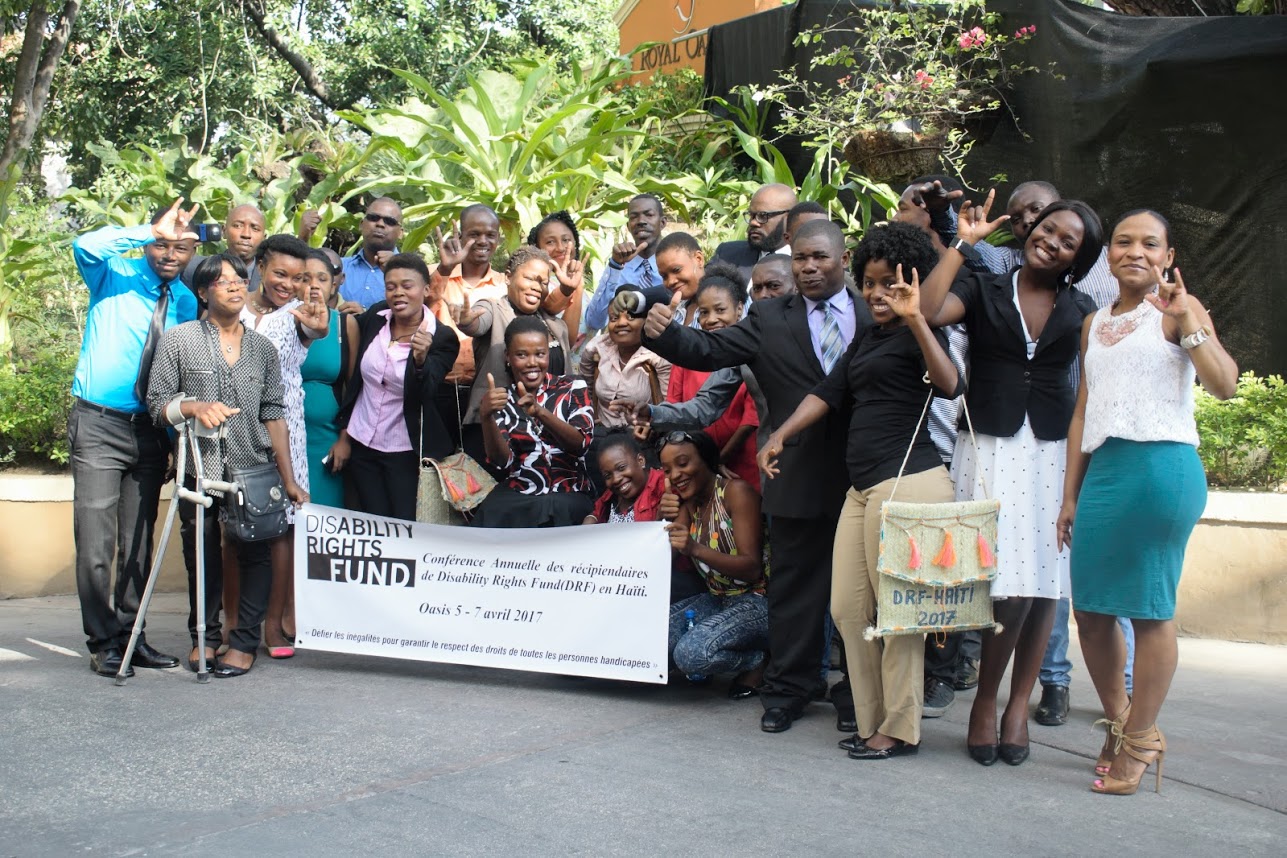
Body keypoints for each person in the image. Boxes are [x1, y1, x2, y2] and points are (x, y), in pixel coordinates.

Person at [645, 219, 869, 734]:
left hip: (864, 470)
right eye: (801, 259)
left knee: (863, 593)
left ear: (843, 258)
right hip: (792, 470)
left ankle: (857, 695)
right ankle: (788, 690)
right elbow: (708, 351)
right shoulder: (768, 317)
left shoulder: (871, 310)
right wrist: (667, 334)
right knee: (794, 590)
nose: (809, 267)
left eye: (820, 258)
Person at [760, 222, 960, 760]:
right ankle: (873, 720)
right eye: (868, 283)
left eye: (888, 284)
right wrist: (781, 433)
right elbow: (828, 390)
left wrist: (917, 317)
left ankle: (898, 727)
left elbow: (950, 384)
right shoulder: (870, 335)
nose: (875, 294)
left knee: (899, 616)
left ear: (911, 285)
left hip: (910, 484)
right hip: (863, 489)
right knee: (848, 610)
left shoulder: (921, 330)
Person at [919, 193, 1103, 767]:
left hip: (1050, 449)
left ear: (1078, 257)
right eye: (1048, 229)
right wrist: (962, 244)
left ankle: (1015, 705)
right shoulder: (983, 286)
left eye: (1067, 240)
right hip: (990, 444)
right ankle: (984, 702)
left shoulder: (1081, 308)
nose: (1050, 240)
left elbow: (1095, 388)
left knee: (1042, 579)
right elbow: (924, 310)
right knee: (999, 582)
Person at [1058, 210, 1237, 795]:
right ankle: (1122, 721)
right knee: (1090, 611)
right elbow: (1084, 410)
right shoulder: (1093, 322)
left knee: (1148, 609)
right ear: (1109, 254)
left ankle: (1140, 738)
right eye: (1123, 241)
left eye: (1149, 243)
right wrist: (1069, 496)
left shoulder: (1180, 309)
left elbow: (1225, 383)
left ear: (1167, 254)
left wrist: (1187, 321)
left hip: (1161, 469)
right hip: (1105, 471)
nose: (1134, 250)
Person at [146, 252, 313, 677]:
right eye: (223, 281)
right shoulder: (179, 339)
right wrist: (192, 406)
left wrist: (288, 477)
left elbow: (274, 413)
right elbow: (157, 405)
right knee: (201, 555)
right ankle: (203, 636)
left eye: (240, 278)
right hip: (198, 469)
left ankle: (243, 644)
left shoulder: (262, 349)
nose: (236, 284)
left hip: (253, 469)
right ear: (202, 292)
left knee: (255, 553)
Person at [68, 200, 200, 677]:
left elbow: (178, 375)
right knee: (96, 541)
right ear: (147, 243)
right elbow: (84, 244)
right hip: (99, 424)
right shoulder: (112, 274)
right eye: (161, 244)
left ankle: (132, 636)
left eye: (180, 247)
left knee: (139, 542)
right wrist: (148, 227)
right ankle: (102, 641)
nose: (169, 253)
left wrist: (170, 439)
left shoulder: (185, 302)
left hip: (149, 430)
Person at [241, 234, 327, 658]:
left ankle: (275, 626)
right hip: (235, 433)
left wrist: (318, 318)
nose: (288, 284)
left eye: (297, 278)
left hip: (284, 433)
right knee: (234, 528)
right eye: (280, 273)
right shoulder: (233, 306)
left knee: (284, 532)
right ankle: (234, 627)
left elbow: (318, 325)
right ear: (260, 267)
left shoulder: (297, 313)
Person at [332, 253, 461, 521]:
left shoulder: (442, 337)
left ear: (426, 290)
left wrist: (421, 361)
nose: (398, 293)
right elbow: (354, 379)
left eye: (407, 285)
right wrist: (344, 435)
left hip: (405, 452)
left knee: (404, 524)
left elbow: (428, 393)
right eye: (391, 286)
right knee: (370, 522)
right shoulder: (375, 318)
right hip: (361, 443)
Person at [659, 431, 769, 696]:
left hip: (758, 600)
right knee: (650, 642)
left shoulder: (736, 492)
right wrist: (662, 517)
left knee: (690, 655)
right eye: (667, 469)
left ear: (707, 459)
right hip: (718, 598)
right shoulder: (689, 505)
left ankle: (761, 660)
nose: (675, 475)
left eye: (683, 463)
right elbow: (666, 558)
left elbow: (752, 567)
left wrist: (694, 548)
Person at [473, 316, 596, 527]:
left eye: (540, 354)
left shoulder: (572, 388)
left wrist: (539, 412)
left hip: (568, 492)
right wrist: (486, 417)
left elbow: (580, 444)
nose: (532, 363)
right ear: (508, 357)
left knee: (559, 510)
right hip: (521, 493)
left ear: (548, 354)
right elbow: (502, 462)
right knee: (492, 512)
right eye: (521, 355)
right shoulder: (500, 399)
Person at [457, 247, 571, 465]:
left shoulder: (556, 326)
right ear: (508, 277)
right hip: (495, 429)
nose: (537, 287)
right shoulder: (493, 308)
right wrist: (466, 321)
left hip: (546, 432)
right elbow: (477, 323)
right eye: (529, 278)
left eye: (544, 282)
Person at [664, 262, 760, 489]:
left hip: (742, 463)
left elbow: (750, 421)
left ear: (738, 308)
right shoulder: (689, 355)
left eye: (720, 310)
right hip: (698, 467)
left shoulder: (751, 351)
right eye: (704, 312)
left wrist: (718, 460)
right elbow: (674, 408)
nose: (711, 319)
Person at [300, 249, 359, 508]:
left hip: (328, 439)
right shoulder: (277, 322)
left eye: (321, 278)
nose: (313, 285)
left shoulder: (344, 325)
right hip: (281, 438)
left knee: (324, 519)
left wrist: (345, 439)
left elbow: (354, 388)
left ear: (333, 284)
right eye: (305, 278)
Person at [580, 292, 671, 435]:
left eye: (631, 317)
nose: (621, 323)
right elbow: (585, 389)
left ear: (646, 321)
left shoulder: (659, 355)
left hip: (643, 435)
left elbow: (669, 406)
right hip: (603, 434)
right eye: (614, 318)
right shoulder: (597, 348)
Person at [583, 194, 667, 331]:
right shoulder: (620, 268)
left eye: (649, 215)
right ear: (628, 226)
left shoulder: (673, 268)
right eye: (634, 217)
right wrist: (615, 266)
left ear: (662, 222)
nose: (641, 221)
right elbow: (594, 322)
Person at [713, 183, 799, 285]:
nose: (753, 222)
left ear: (789, 218)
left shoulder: (805, 262)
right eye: (751, 215)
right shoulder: (726, 255)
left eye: (763, 216)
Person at [526, 210, 589, 340]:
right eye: (550, 242)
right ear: (537, 247)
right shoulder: (535, 284)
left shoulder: (585, 289)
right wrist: (572, 289)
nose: (560, 247)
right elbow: (566, 340)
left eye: (566, 240)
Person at [181, 203, 268, 292]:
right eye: (237, 226)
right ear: (224, 231)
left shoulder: (271, 279)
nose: (246, 234)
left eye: (255, 229)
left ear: (264, 238)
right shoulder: (194, 269)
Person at [340, 197, 404, 309]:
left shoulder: (412, 273)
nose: (380, 224)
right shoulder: (338, 267)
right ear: (361, 224)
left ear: (400, 233)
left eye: (390, 221)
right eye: (373, 218)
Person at [653, 232, 705, 327]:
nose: (671, 282)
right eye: (664, 276)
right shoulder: (674, 310)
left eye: (676, 270)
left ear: (699, 259)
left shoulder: (723, 305)